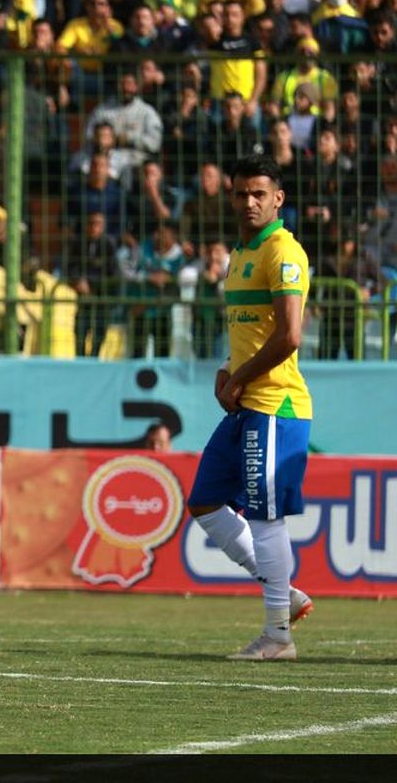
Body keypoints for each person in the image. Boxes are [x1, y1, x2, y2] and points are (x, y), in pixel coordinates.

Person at [187, 154, 314, 662]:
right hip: (245, 404)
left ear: (278, 199)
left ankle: (278, 634)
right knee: (204, 501)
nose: (250, 202)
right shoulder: (240, 253)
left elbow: (288, 335)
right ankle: (289, 593)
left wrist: (238, 377)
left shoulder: (283, 251)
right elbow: (249, 331)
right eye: (241, 193)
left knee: (265, 519)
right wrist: (226, 364)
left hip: (274, 405)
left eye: (260, 193)